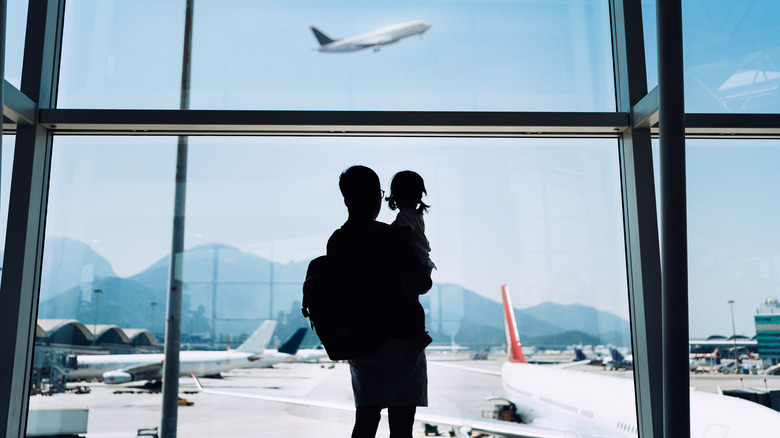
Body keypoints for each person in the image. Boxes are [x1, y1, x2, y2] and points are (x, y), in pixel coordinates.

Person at [326, 165, 431, 438]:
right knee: (401, 423)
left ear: (346, 199)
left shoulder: (337, 241)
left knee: (366, 419)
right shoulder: (391, 238)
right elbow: (423, 283)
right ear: (377, 196)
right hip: (400, 339)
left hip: (359, 340)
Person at [386, 170, 436, 293]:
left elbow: (404, 233)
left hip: (416, 263)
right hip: (424, 262)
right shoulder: (416, 215)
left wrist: (387, 233)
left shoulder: (405, 215)